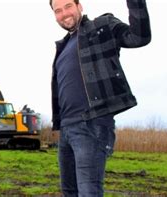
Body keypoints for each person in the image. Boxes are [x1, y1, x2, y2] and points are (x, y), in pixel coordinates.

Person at [49, 0, 151, 196]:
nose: (64, 14)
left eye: (68, 6)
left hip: (92, 124)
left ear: (80, 6)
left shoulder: (101, 27)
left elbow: (139, 37)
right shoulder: (63, 46)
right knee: (70, 192)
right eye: (58, 11)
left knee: (89, 192)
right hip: (66, 128)